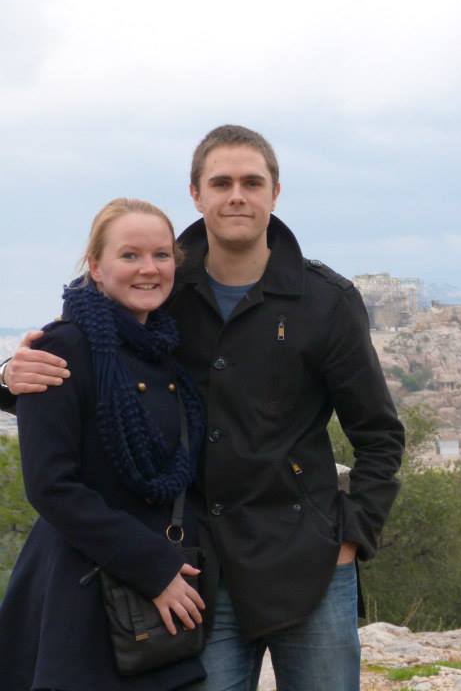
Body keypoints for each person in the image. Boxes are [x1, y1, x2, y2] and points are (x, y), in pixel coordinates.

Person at [1, 125, 406, 690]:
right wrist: (10, 375)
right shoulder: (164, 286)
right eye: (221, 182)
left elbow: (380, 435)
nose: (236, 195)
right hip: (199, 567)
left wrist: (352, 536)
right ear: (196, 194)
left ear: (275, 193)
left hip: (310, 560)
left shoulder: (325, 301)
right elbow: (92, 360)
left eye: (250, 182)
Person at [0, 198, 209, 690]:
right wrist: (152, 569)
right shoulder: (61, 347)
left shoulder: (167, 349)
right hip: (80, 594)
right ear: (95, 266)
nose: (148, 269)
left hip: (160, 602)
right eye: (130, 255)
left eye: (161, 255)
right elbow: (51, 487)